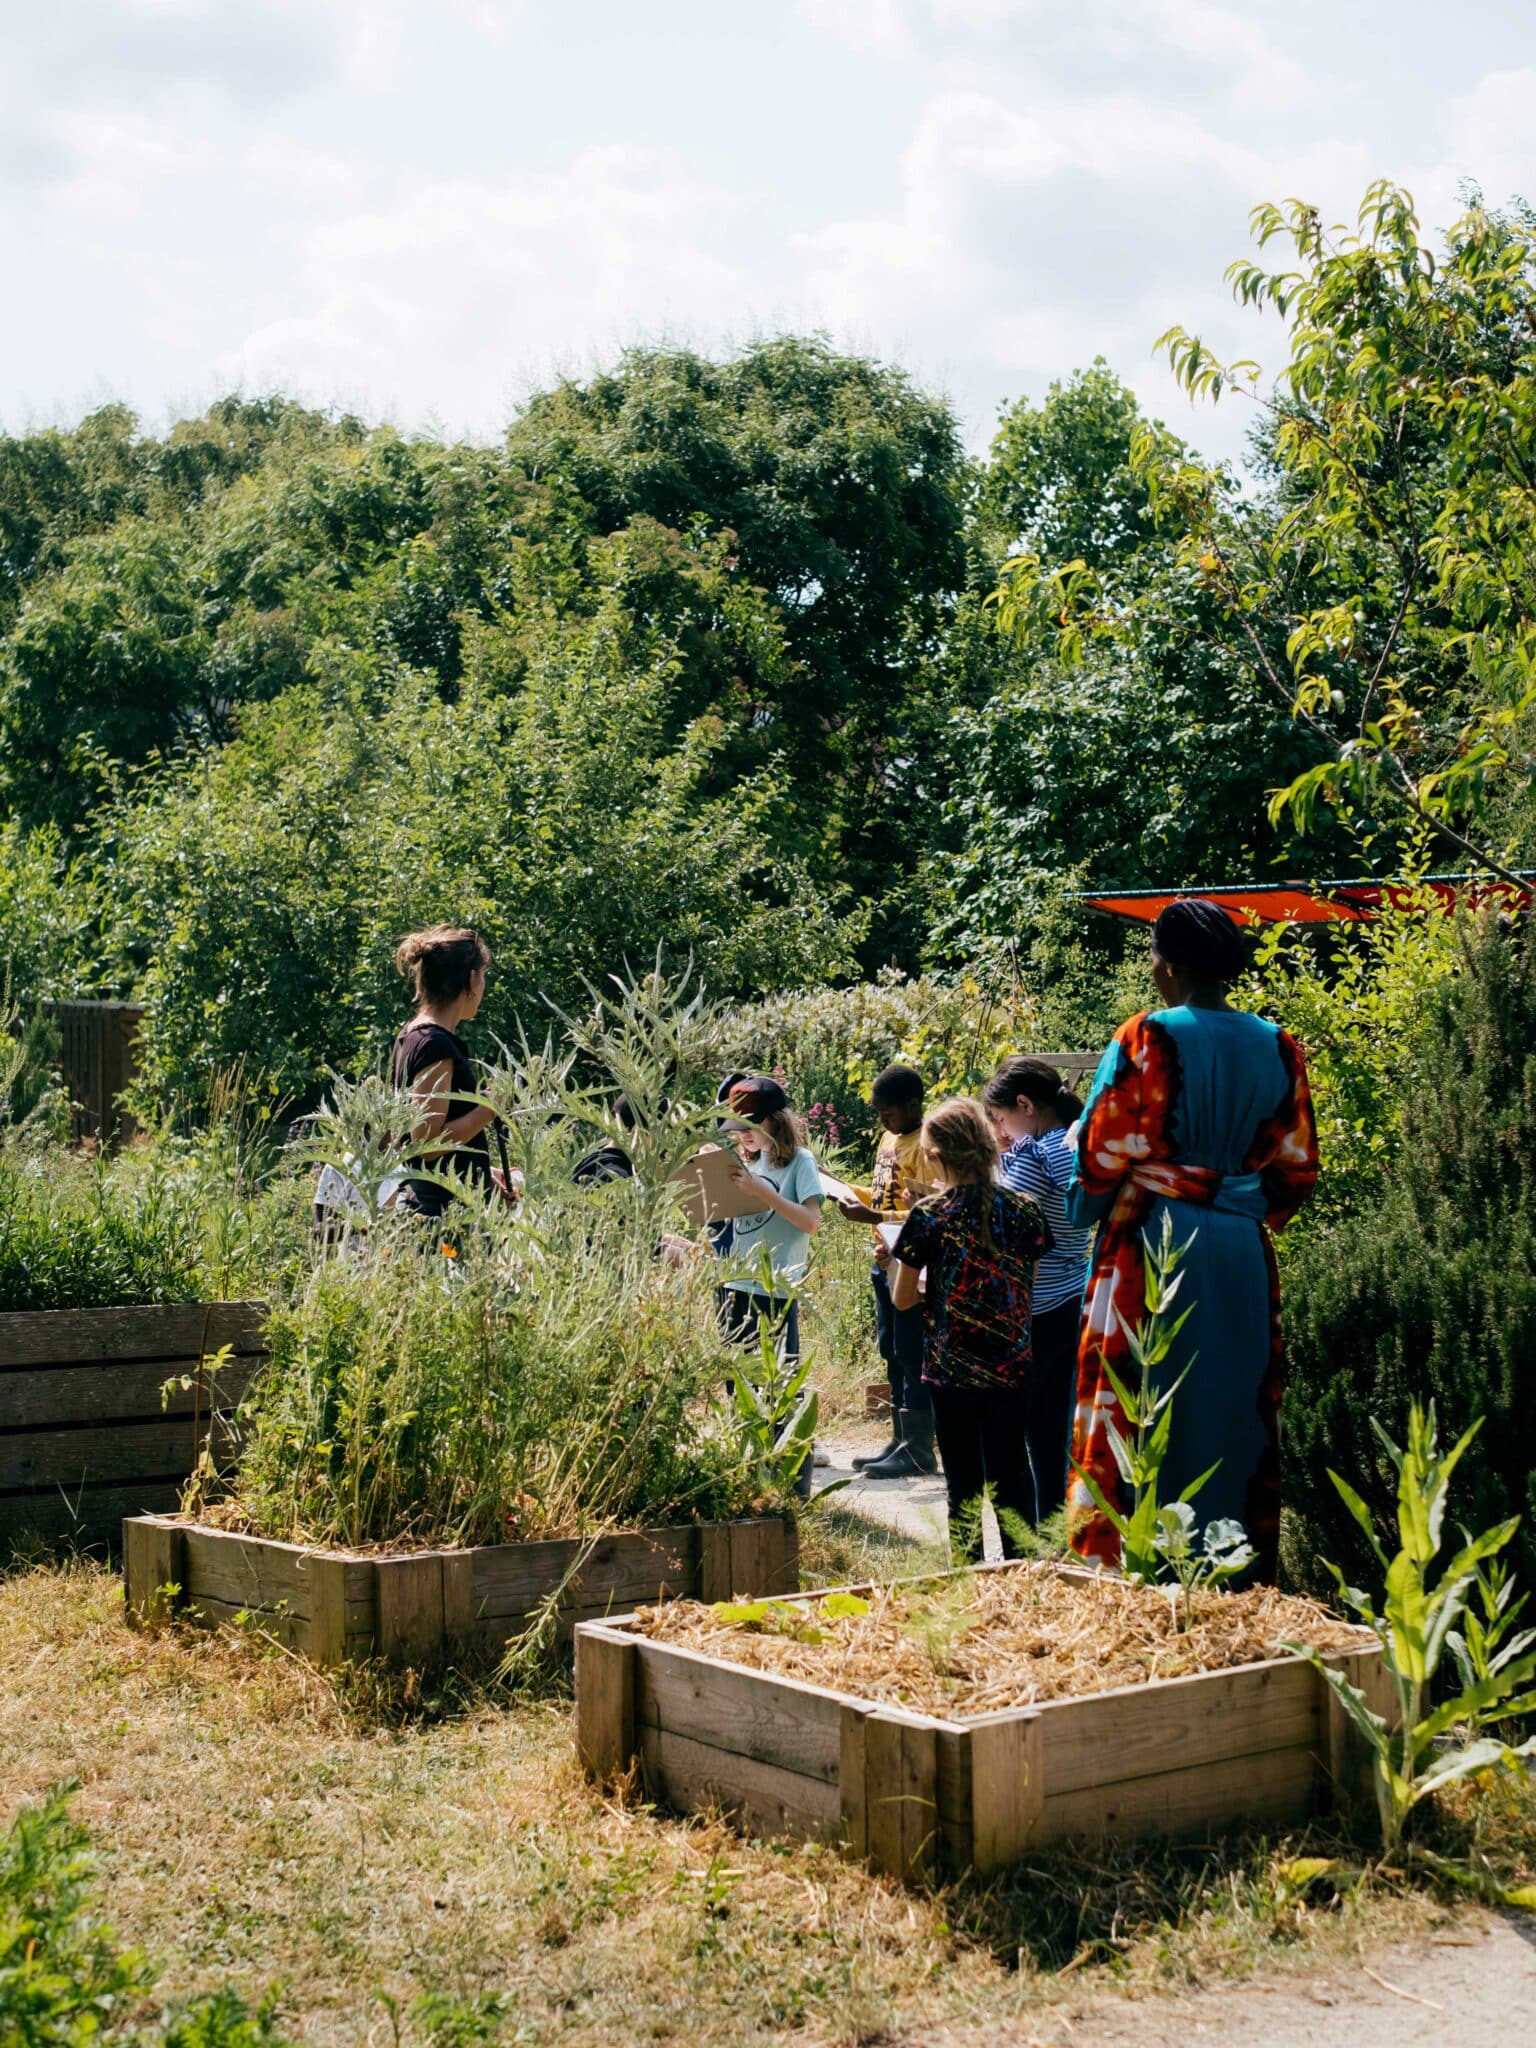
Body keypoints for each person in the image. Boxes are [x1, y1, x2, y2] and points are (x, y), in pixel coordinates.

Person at [1066, 898, 1319, 1582]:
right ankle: (1231, 1573)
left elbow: (1098, 1156)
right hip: (1240, 1253)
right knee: (1232, 1407)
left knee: (1141, 1398)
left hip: (1151, 1241)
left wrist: (1093, 1203)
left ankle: (1132, 1567)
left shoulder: (1147, 1035)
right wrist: (1232, 1197)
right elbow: (1296, 1170)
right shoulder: (1279, 1045)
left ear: (1169, 966)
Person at [889, 1098, 1053, 1565]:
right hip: (1012, 1362)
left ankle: (969, 1581)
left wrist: (910, 1274)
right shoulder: (1025, 1209)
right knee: (1012, 1472)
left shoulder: (929, 1215)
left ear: (936, 1155)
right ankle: (1026, 1576)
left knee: (963, 1482)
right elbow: (1028, 1286)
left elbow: (903, 1299)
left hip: (950, 1368)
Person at [982, 1058, 1092, 1521]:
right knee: (1056, 1426)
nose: (1001, 1131)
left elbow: (999, 1226)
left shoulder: (1035, 1156)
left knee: (1038, 1430)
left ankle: (1046, 1534)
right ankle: (1059, 1527)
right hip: (1072, 1291)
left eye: (1002, 1119)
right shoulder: (1070, 1145)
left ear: (1024, 1105)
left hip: (1039, 1304)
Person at [835, 1064, 936, 1478]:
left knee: (912, 1352)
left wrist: (871, 1215)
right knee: (891, 1349)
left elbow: (926, 1211)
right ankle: (900, 1437)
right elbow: (881, 1192)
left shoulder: (926, 1146)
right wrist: (841, 1187)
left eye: (888, 1114)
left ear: (914, 1105)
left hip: (910, 1265)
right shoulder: (890, 1137)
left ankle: (919, 1449)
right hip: (884, 1259)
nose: (882, 1121)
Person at [390, 925, 499, 1219]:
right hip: (443, 1216)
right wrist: (488, 1109)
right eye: (484, 975)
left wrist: (487, 1174)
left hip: (444, 1204)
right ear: (471, 979)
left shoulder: (414, 1035)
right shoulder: (433, 1044)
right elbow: (426, 1143)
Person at [717, 1075, 822, 1363]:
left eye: (752, 1126)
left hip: (774, 1288)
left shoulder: (801, 1161)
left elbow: (812, 1222)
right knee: (736, 1378)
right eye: (738, 1129)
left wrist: (763, 1192)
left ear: (777, 1120)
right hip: (735, 1283)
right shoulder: (747, 1159)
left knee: (778, 1381)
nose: (744, 1135)